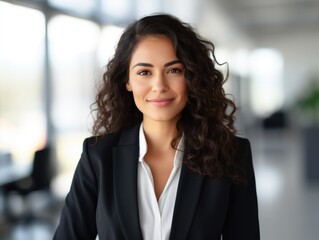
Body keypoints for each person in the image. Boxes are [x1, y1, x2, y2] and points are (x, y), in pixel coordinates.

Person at [53, 13, 260, 240]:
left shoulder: (230, 155)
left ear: (191, 76)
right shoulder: (98, 158)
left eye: (173, 70)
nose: (159, 85)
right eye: (144, 72)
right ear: (128, 81)